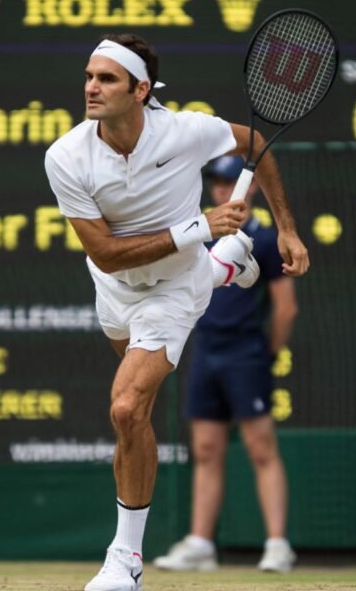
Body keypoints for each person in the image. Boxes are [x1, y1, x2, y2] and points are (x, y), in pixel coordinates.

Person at [44, 34, 308, 591]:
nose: (91, 87)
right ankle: (223, 266)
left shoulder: (185, 131)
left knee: (125, 408)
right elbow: (106, 253)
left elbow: (255, 141)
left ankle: (125, 560)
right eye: (89, 76)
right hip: (114, 287)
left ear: (141, 90)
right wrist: (200, 229)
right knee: (135, 420)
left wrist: (286, 228)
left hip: (172, 289)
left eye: (107, 78)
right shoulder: (65, 157)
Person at [153, 155, 299, 574]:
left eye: (229, 180)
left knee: (261, 448)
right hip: (206, 350)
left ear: (249, 188)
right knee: (205, 449)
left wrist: (266, 354)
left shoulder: (265, 239)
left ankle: (277, 545)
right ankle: (201, 545)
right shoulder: (199, 236)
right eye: (216, 181)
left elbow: (285, 309)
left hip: (246, 352)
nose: (221, 188)